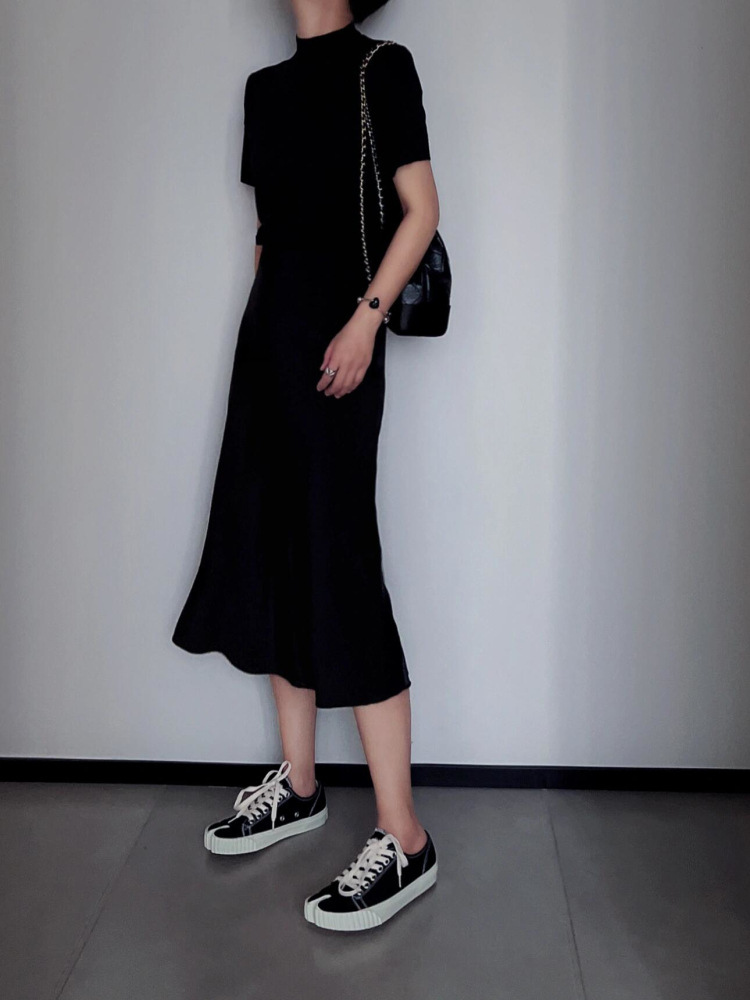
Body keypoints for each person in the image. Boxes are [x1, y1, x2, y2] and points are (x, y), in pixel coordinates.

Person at [172, 0, 441, 931]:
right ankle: (297, 785)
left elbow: (421, 212)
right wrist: (268, 343)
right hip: (271, 346)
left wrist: (365, 321)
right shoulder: (265, 89)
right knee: (274, 545)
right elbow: (268, 234)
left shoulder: (382, 68)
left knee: (339, 560)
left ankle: (405, 837)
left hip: (343, 341)